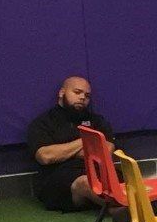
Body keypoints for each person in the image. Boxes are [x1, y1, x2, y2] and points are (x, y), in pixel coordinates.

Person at [25, 76, 116, 212]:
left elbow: (107, 150)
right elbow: (45, 156)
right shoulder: (43, 122)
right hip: (58, 181)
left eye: (87, 95)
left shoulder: (96, 120)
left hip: (97, 173)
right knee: (85, 182)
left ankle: (133, 207)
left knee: (126, 179)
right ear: (62, 92)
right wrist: (86, 140)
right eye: (77, 92)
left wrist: (64, 152)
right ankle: (120, 209)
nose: (82, 97)